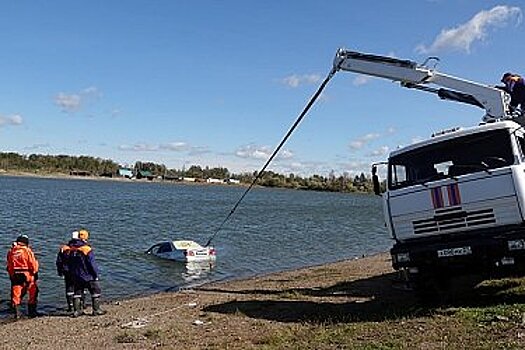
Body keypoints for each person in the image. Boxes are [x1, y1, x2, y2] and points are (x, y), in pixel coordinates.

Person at [67, 229, 106, 317]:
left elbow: (69, 263)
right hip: (88, 275)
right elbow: (92, 263)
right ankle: (96, 310)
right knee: (96, 291)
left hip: (76, 276)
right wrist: (95, 274)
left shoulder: (72, 249)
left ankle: (77, 311)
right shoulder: (87, 249)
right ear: (85, 238)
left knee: (77, 292)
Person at [6, 234, 40, 319]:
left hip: (16, 274)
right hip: (27, 273)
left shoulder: (11, 251)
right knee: (33, 292)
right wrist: (35, 272)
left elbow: (9, 265)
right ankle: (32, 313)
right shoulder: (27, 251)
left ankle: (17, 314)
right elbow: (32, 263)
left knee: (16, 294)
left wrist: (11, 275)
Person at [56, 230, 79, 313]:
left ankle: (71, 306)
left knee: (69, 288)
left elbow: (59, 261)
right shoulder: (82, 248)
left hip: (67, 271)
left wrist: (59, 271)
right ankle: (80, 306)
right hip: (78, 271)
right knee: (79, 289)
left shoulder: (64, 248)